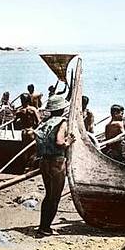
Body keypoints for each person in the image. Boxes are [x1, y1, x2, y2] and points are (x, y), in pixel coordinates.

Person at [34, 95, 75, 236]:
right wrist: (68, 142)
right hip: (56, 162)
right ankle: (45, 228)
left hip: (44, 161)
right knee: (55, 197)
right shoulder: (62, 122)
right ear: (62, 109)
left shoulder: (46, 122)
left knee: (48, 195)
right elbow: (59, 142)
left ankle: (43, 226)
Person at [15, 93, 41, 170]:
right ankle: (30, 167)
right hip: (31, 131)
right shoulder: (32, 109)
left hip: (24, 132)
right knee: (33, 150)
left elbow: (15, 121)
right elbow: (39, 121)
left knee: (25, 150)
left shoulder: (19, 111)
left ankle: (25, 167)